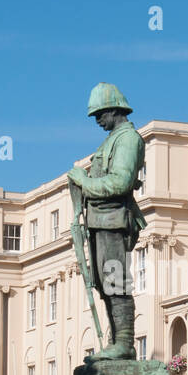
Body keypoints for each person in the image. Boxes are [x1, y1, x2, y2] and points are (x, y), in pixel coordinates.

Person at [66, 83, 146, 360]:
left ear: (114, 109)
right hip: (99, 221)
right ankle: (116, 343)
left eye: (100, 114)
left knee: (115, 281)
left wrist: (84, 181)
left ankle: (124, 343)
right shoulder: (111, 140)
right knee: (103, 283)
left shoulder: (128, 139)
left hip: (114, 221)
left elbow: (120, 183)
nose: (97, 120)